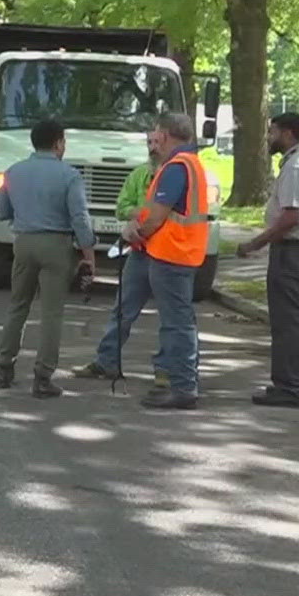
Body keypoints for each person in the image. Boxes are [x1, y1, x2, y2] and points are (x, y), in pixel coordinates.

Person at [0, 118, 97, 398]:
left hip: (24, 243)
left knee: (18, 306)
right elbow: (79, 218)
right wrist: (89, 253)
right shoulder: (70, 176)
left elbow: (2, 211)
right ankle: (42, 376)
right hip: (56, 245)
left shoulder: (13, 172)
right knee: (51, 313)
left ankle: (5, 367)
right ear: (58, 143)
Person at [121, 112, 211, 410]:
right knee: (182, 321)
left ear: (166, 134)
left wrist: (136, 233)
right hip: (184, 253)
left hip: (170, 253)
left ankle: (183, 387)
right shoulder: (192, 163)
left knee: (176, 324)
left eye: (157, 131)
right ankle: (184, 381)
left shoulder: (175, 167)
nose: (154, 137)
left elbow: (157, 215)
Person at [236, 112, 299, 408]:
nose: (268, 137)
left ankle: (288, 386)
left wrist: (256, 242)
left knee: (288, 321)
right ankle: (296, 381)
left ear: (288, 134)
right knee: (297, 319)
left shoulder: (297, 167)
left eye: (272, 131)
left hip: (294, 251)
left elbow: (291, 215)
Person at [75, 146, 162, 384]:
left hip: (168, 256)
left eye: (158, 141)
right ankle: (107, 362)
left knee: (172, 317)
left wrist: (143, 217)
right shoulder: (138, 175)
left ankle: (167, 371)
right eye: (150, 143)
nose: (153, 148)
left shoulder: (176, 177)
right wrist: (142, 214)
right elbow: (121, 207)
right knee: (122, 309)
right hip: (140, 253)